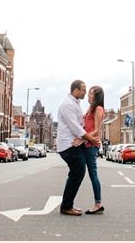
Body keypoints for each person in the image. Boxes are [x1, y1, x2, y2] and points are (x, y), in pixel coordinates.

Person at [57, 80, 100, 216]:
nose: (85, 93)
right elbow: (75, 127)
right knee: (77, 172)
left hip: (74, 144)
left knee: (76, 173)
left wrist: (85, 138)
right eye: (83, 90)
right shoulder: (68, 105)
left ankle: (67, 205)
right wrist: (90, 138)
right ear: (76, 90)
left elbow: (80, 124)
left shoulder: (74, 103)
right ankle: (66, 206)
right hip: (69, 145)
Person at [82, 85, 105, 214]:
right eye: (89, 93)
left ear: (97, 97)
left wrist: (83, 139)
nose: (88, 95)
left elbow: (97, 130)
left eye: (91, 93)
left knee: (93, 174)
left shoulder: (98, 109)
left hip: (91, 144)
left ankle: (98, 203)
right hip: (87, 143)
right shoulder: (91, 108)